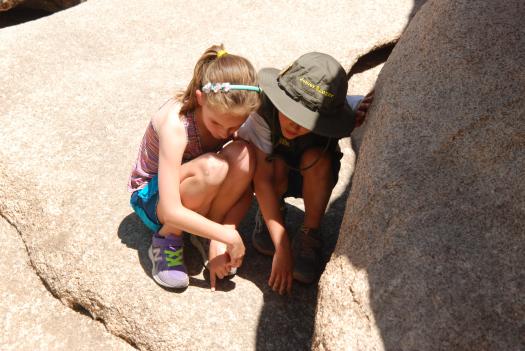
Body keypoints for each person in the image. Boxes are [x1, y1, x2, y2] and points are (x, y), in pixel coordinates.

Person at [238, 52, 373, 295]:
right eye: (290, 110)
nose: (294, 124)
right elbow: (263, 181)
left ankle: (309, 232)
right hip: (275, 175)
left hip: (311, 177)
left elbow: (350, 104)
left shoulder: (334, 113)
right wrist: (282, 247)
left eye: (306, 119)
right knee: (273, 162)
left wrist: (361, 109)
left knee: (319, 159)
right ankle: (273, 213)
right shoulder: (263, 111)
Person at [128, 44, 261, 290]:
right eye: (217, 124)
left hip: (194, 185)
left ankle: (204, 233)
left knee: (245, 154)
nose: (225, 132)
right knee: (213, 168)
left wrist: (223, 232)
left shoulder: (228, 116)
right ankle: (167, 240)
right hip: (154, 198)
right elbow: (170, 209)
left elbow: (247, 190)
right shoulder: (176, 125)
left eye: (233, 127)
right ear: (200, 99)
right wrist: (226, 236)